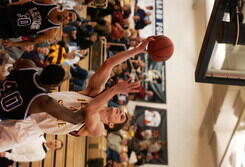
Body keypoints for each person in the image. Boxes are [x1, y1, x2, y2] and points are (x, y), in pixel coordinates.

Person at [0, 37, 155, 151]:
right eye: (123, 112)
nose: (121, 111)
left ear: (111, 124)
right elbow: (108, 64)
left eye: (121, 116)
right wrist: (137, 50)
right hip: (30, 102)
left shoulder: (98, 129)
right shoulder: (93, 94)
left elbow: (90, 110)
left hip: (28, 128)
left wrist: (115, 89)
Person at [0, 60, 84, 124]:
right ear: (54, 85)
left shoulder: (27, 65)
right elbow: (75, 119)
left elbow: (15, 64)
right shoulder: (44, 101)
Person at [0, 0, 78, 47]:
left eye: (69, 20)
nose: (67, 18)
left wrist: (13, 44)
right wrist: (10, 5)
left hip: (9, 30)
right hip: (8, 13)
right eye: (69, 15)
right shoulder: (49, 3)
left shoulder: (51, 32)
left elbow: (32, 41)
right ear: (66, 10)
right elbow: (28, 1)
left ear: (67, 23)